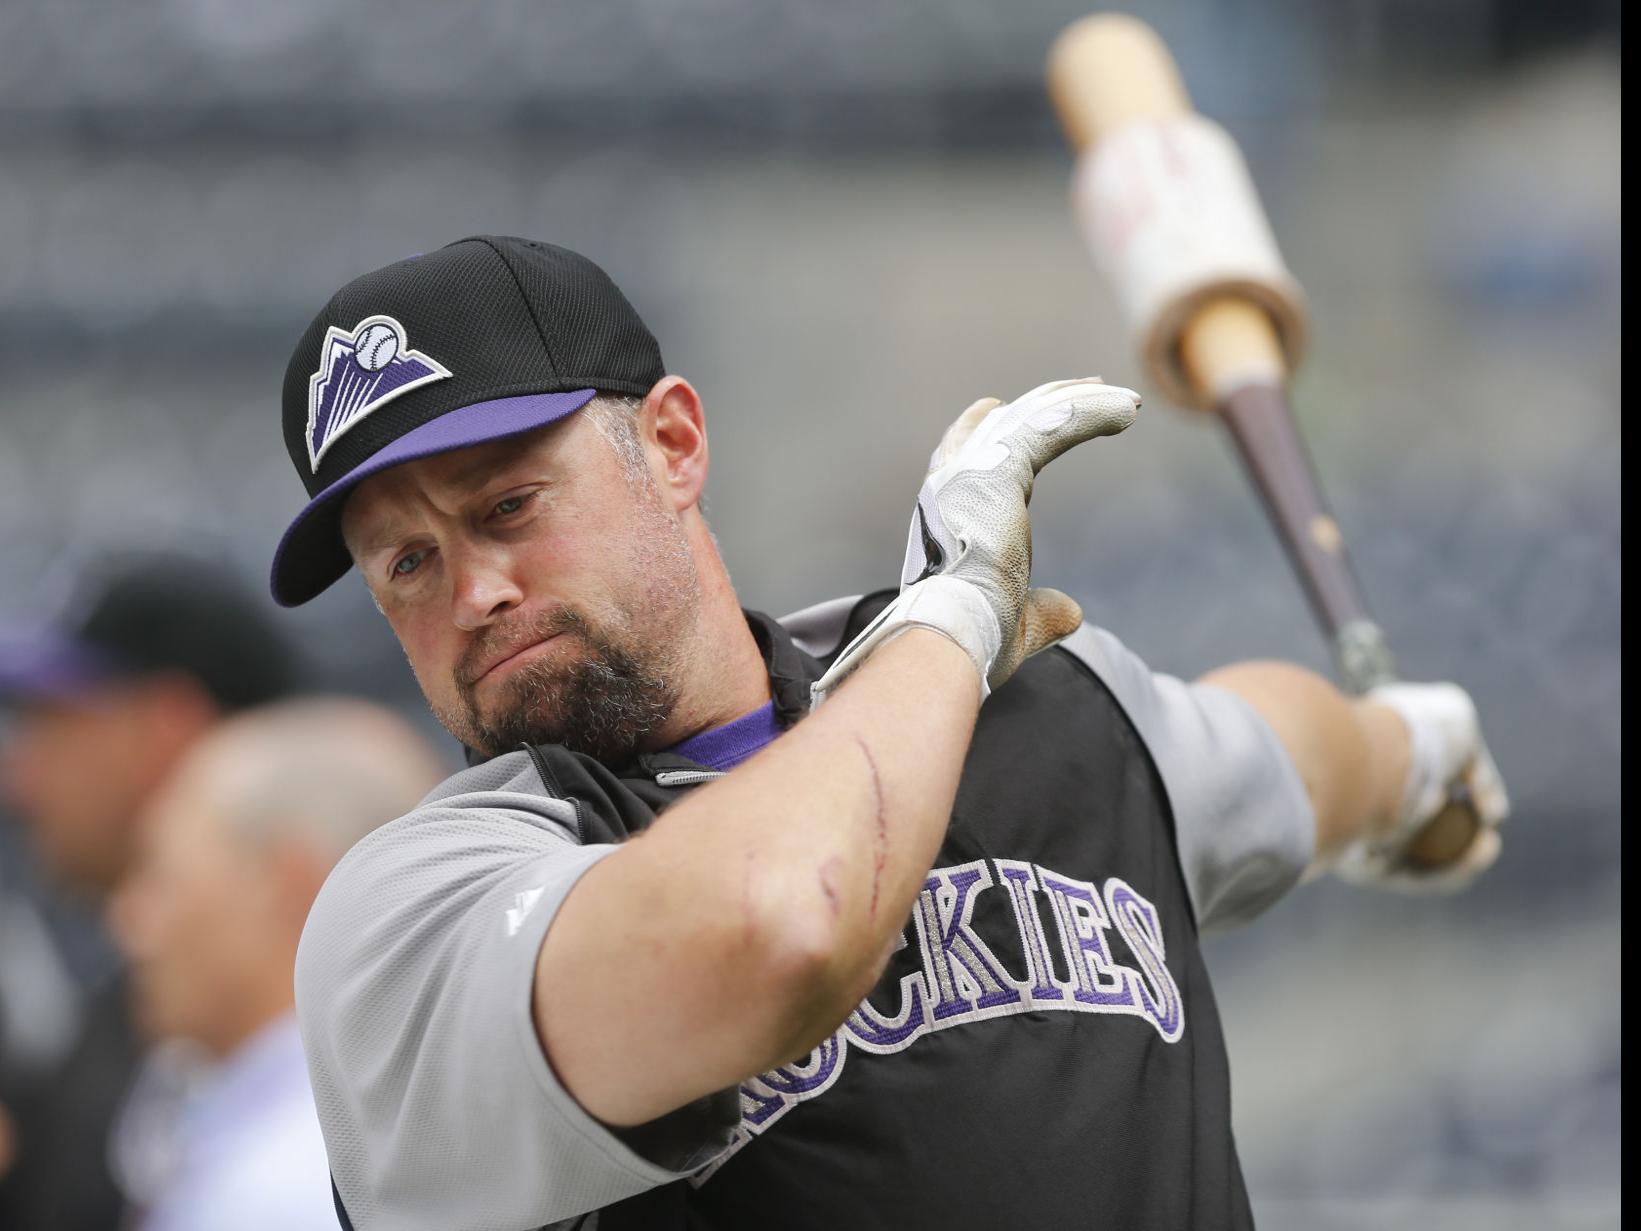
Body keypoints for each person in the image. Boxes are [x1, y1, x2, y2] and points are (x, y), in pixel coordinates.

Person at [272, 236, 1508, 1229]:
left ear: (672, 443)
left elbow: (1277, 746)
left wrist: (1408, 755)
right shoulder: (416, 914)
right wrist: (956, 615)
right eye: (410, 563)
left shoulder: (1044, 707)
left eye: (510, 504)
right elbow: (782, 919)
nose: (475, 592)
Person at [0, 555, 297, 1231]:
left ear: (169, 729)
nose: (16, 778)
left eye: (50, 723)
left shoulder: (338, 996)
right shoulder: (121, 1004)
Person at [106, 697, 446, 1231]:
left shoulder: (291, 1184)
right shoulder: (405, 1130)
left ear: (288, 882)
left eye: (162, 878)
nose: (129, 922)